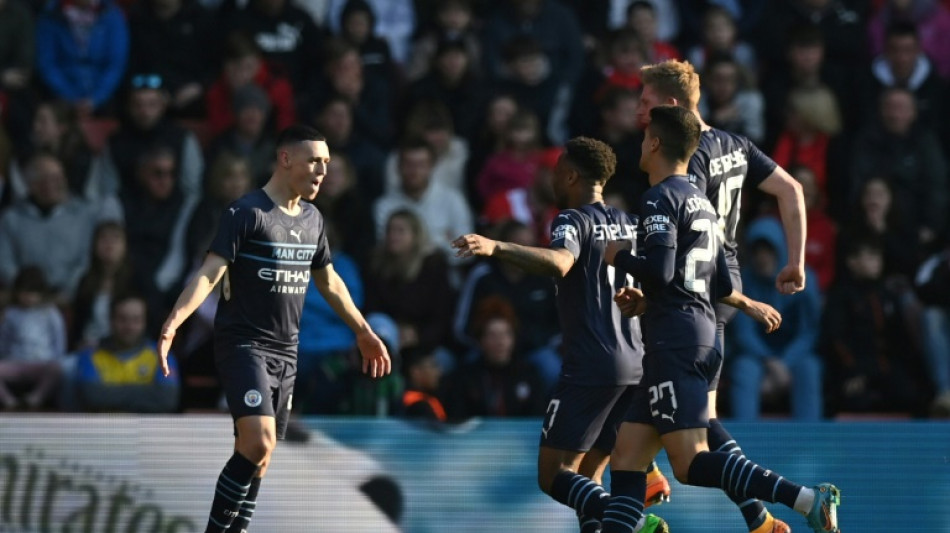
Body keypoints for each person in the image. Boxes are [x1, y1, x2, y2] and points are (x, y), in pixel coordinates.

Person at [601, 104, 839, 533]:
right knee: (627, 458)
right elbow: (720, 280)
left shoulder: (659, 197)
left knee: (690, 464)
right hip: (696, 333)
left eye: (643, 137)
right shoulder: (703, 204)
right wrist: (743, 305)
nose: (639, 143)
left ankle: (804, 499)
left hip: (676, 341)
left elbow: (660, 271)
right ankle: (767, 515)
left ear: (655, 143)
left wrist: (621, 257)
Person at [156, 125, 391, 533]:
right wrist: (174, 322)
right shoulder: (246, 213)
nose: (323, 171)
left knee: (260, 457)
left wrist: (363, 331)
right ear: (285, 159)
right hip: (244, 345)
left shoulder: (313, 219)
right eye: (315, 161)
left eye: (328, 164)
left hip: (287, 351)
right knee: (259, 441)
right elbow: (210, 273)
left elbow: (330, 282)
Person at [452, 136, 669, 533]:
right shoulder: (629, 223)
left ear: (571, 175)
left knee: (554, 475)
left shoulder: (572, 218)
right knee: (588, 478)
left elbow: (561, 262)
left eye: (555, 171)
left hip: (591, 364)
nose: (551, 179)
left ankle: (636, 521)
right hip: (635, 363)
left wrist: (497, 246)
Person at [635, 60, 808, 533]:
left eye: (645, 102)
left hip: (701, 287)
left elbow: (690, 237)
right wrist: (797, 261)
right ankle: (759, 519)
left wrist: (737, 298)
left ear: (671, 106)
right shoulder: (735, 144)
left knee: (626, 361)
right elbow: (791, 189)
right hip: (720, 282)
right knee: (702, 418)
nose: (639, 111)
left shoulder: (681, 159)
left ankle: (644, 480)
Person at [74, 293, 181, 413]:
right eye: (122, 319)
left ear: (145, 322)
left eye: (136, 320)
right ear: (111, 320)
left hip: (147, 427)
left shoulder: (162, 355)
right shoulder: (90, 355)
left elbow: (167, 400)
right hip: (103, 427)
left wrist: (109, 393)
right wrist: (148, 392)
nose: (129, 326)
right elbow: (92, 397)